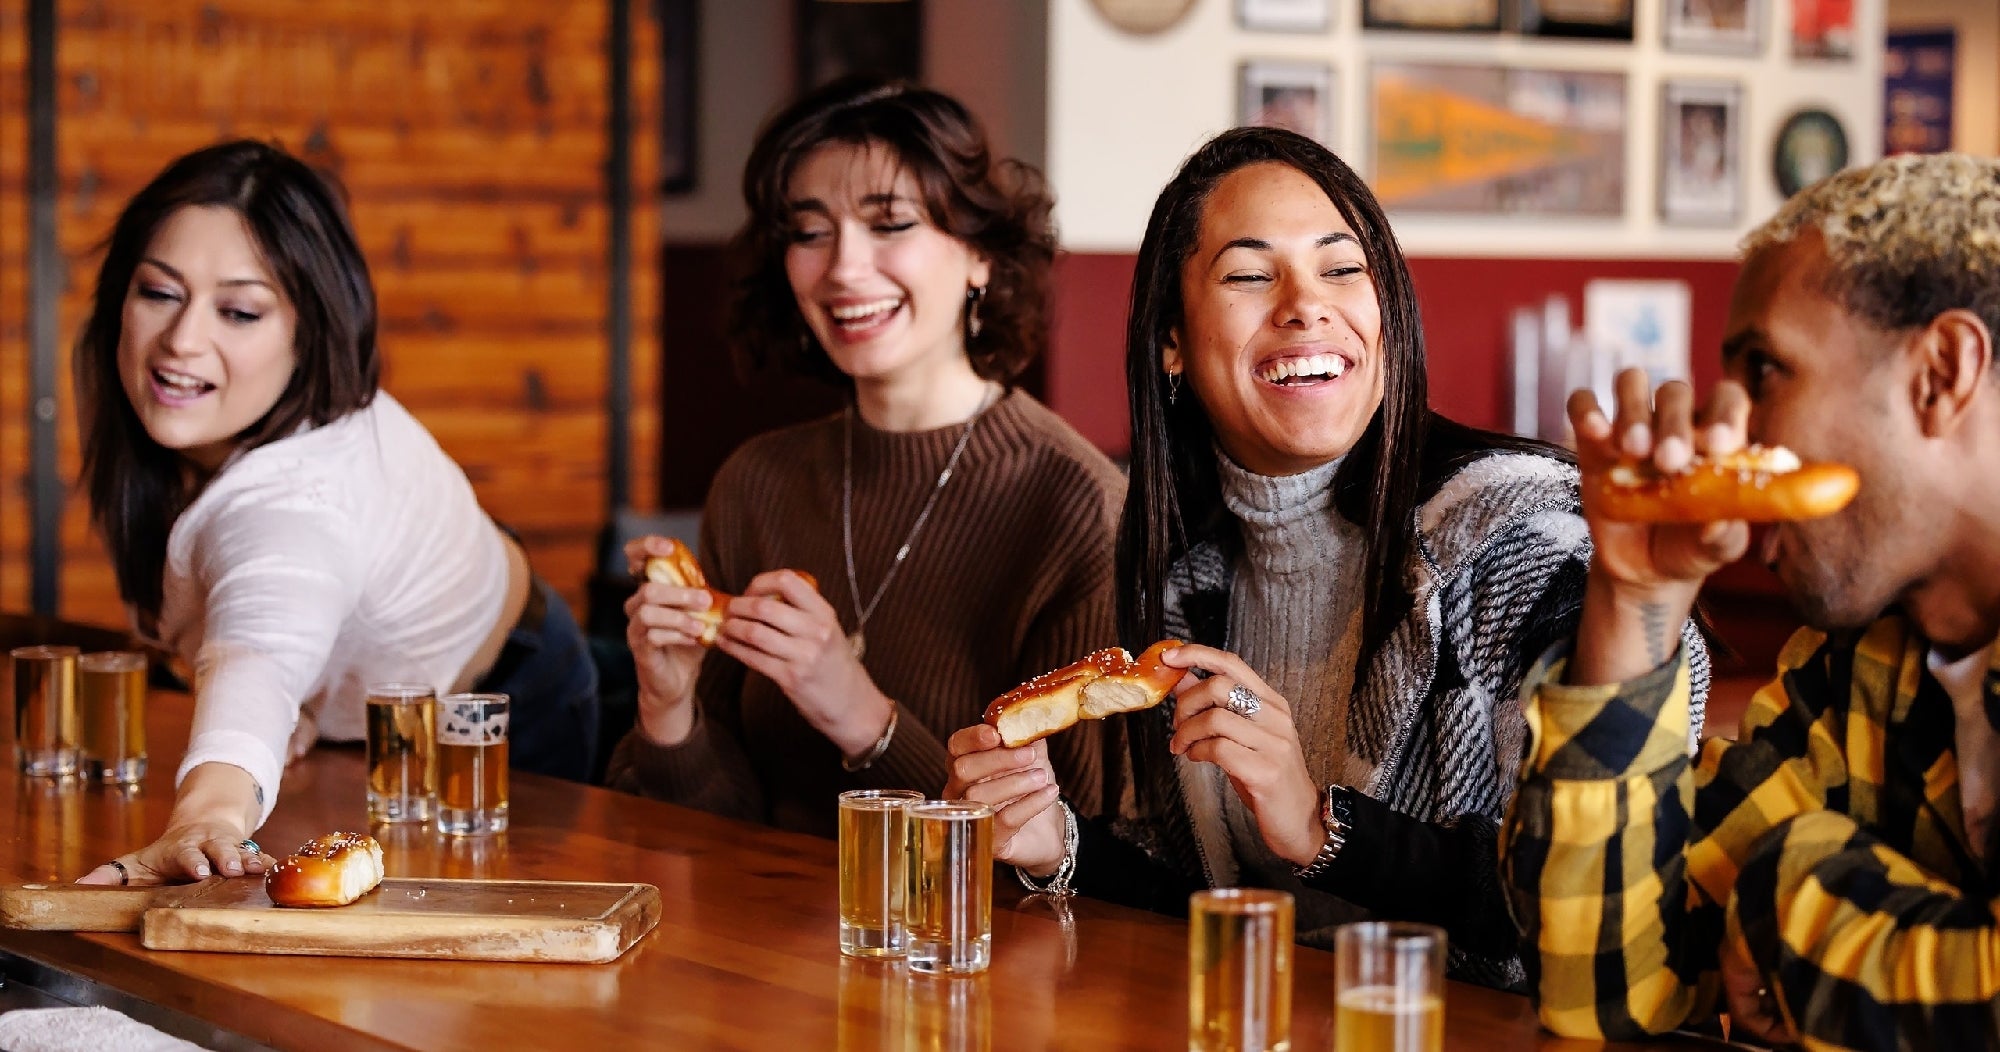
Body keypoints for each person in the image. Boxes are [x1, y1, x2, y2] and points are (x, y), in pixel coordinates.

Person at [944, 126, 1710, 987]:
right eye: (1246, 274)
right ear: (1171, 342)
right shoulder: (1189, 577)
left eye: (1342, 269)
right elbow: (1211, 897)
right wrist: (1058, 845)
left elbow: (1593, 911)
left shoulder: (1528, 540)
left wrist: (1317, 824)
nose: (1305, 304)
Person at [1500, 152, 2000, 1049]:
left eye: (1765, 372)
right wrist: (1635, 596)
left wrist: (1777, 892)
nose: (1726, 429)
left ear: (1942, 373)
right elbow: (1603, 996)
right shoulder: (1854, 666)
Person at [602, 79, 1124, 836]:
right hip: (753, 940)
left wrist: (863, 717)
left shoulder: (1075, 507)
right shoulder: (756, 482)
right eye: (811, 232)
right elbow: (705, 841)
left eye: (889, 224)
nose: (843, 268)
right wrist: (667, 706)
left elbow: (1080, 868)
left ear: (980, 253)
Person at [72, 140, 600, 887]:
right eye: (159, 293)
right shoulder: (200, 430)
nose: (183, 340)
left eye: (239, 310)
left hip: (504, 707)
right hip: (372, 714)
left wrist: (206, 821)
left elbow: (258, 653)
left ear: (309, 332)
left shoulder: (301, 504)